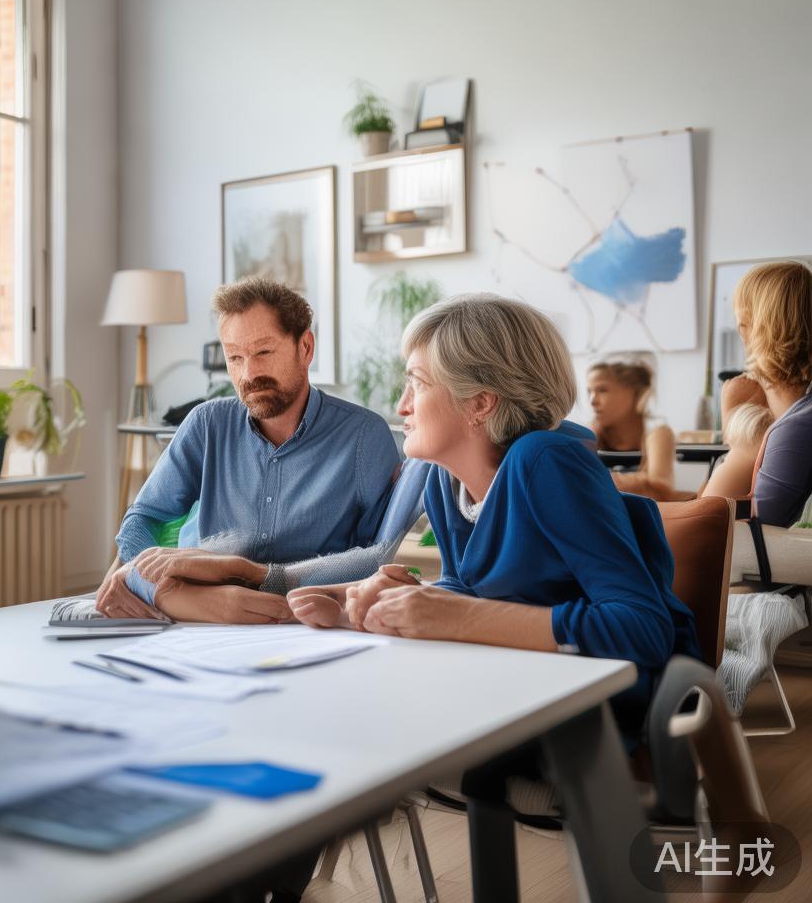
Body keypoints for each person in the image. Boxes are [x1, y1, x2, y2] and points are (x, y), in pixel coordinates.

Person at [289, 294, 700, 743]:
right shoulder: (442, 483)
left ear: (481, 403)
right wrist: (379, 603)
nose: (402, 404)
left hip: (603, 707)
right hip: (514, 686)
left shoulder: (546, 462)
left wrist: (455, 616)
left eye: (418, 384)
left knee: (360, 722)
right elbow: (471, 592)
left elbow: (642, 630)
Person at [96, 277, 402, 623]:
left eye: (263, 352)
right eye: (235, 357)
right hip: (198, 615)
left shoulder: (364, 437)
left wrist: (264, 575)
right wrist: (139, 573)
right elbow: (145, 516)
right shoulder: (207, 424)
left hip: (301, 621)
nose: (249, 373)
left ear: (305, 348)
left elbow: (376, 560)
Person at [701, 260, 812, 526]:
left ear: (748, 328)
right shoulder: (793, 416)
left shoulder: (795, 428)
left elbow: (712, 526)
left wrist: (741, 443)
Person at [587, 355, 688, 501]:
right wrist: (644, 481)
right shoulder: (589, 435)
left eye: (602, 390)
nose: (592, 400)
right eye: (589, 391)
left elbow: (662, 489)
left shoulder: (658, 434)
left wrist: (597, 480)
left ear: (635, 393)